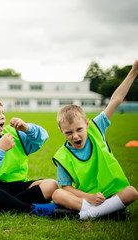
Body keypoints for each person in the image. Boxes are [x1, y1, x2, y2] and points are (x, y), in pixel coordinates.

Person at [52, 60, 138, 220]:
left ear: (87, 124)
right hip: (87, 198)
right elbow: (67, 188)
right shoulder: (62, 155)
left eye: (79, 130)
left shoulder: (96, 128)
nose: (75, 136)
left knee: (131, 192)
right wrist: (89, 197)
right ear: (61, 131)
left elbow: (115, 100)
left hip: (112, 194)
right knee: (57, 194)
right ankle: (107, 212)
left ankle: (88, 214)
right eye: (68, 133)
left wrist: (133, 72)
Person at [0, 96, 58, 217]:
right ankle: (29, 209)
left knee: (52, 185)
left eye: (2, 113)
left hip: (19, 186)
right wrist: (0, 150)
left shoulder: (14, 133)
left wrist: (26, 128)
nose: (2, 116)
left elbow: (42, 138)